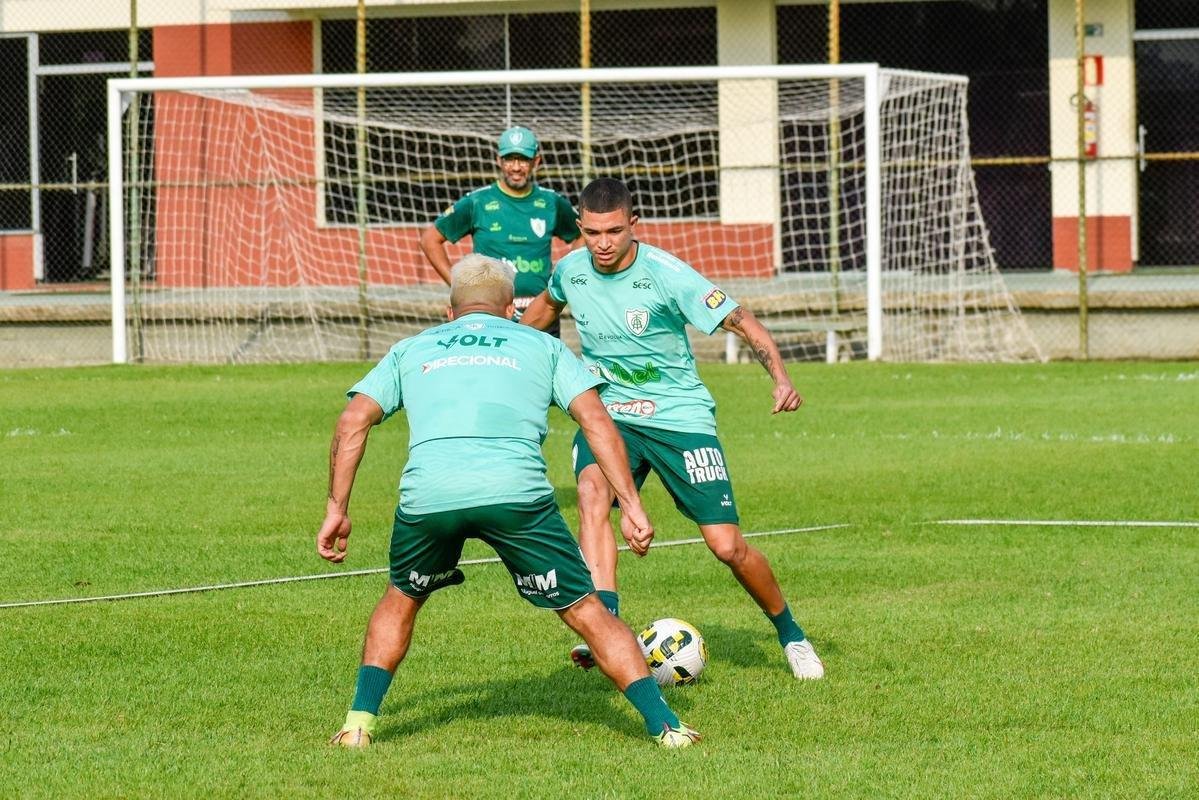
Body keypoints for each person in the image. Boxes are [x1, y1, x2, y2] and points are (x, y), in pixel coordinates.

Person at [317, 253, 701, 749]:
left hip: (431, 496)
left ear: (449, 312)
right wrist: (630, 503)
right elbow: (597, 421)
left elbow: (352, 422)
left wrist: (336, 509)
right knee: (588, 611)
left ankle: (357, 726)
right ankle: (666, 728)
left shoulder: (411, 348)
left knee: (401, 598)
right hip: (516, 497)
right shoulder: (540, 344)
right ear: (508, 311)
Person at [520, 178, 825, 681]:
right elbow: (543, 313)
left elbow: (743, 322)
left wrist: (781, 378)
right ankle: (608, 631)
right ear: (579, 229)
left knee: (726, 546)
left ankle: (791, 633)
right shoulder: (570, 271)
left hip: (679, 417)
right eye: (593, 232)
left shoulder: (666, 274)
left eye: (614, 231)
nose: (603, 242)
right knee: (592, 494)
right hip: (611, 413)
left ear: (632, 225)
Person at [420, 125, 581, 335]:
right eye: (509, 159)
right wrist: (461, 286)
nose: (515, 167)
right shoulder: (477, 201)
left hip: (540, 313)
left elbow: (582, 235)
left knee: (540, 367)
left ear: (536, 162)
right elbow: (430, 240)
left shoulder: (551, 201)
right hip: (491, 313)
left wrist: (562, 276)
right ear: (498, 160)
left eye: (523, 159)